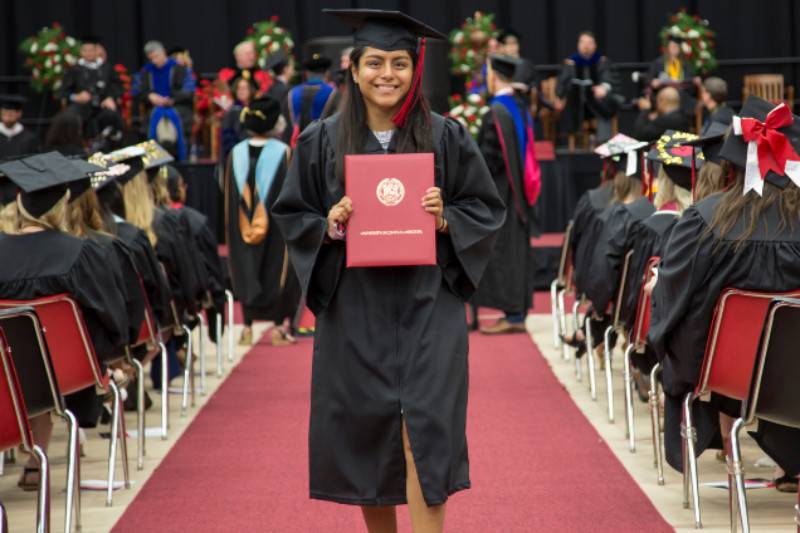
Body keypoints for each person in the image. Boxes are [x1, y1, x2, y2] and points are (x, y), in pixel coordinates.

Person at [272, 9, 505, 533]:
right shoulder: (320, 140)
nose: (387, 74)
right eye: (374, 62)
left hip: (428, 307)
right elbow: (292, 215)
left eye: (400, 63)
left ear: (414, 69)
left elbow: (487, 210)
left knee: (428, 432)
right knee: (366, 432)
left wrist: (446, 217)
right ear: (353, 69)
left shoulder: (446, 136)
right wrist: (330, 227)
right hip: (355, 308)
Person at [649, 96, 800, 491]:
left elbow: (672, 299)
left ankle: (727, 443)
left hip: (726, 373)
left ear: (730, 164)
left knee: (693, 329)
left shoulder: (704, 219)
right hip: (795, 373)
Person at [0, 152, 128, 489]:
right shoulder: (80, 253)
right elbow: (111, 316)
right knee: (43, 359)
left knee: (20, 356)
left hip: (4, 372)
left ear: (19, 201)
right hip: (65, 374)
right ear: (64, 204)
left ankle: (31, 457)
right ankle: (36, 456)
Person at [623, 131, 701, 396]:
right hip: (705, 343)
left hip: (658, 335)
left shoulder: (651, 228)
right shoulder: (709, 228)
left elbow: (636, 296)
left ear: (662, 182)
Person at [224, 96, 299, 346]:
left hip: (241, 224)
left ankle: (246, 328)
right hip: (277, 226)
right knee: (276, 268)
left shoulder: (235, 154)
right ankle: (278, 328)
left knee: (245, 266)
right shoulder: (284, 153)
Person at [474, 55, 541, 334]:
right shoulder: (519, 107)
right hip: (520, 192)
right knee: (517, 251)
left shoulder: (496, 112)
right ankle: (518, 312)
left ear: (493, 77)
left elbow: (489, 160)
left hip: (502, 192)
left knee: (506, 252)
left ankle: (513, 316)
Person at [133, 40, 195, 160]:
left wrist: (172, 100)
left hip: (177, 106)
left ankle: (173, 150)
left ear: (164, 53)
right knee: (156, 115)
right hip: (153, 107)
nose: (154, 61)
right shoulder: (146, 71)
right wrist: (150, 96)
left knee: (173, 116)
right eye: (151, 58)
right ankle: (157, 154)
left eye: (157, 56)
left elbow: (188, 91)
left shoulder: (180, 69)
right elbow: (137, 92)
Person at [59, 35, 124, 144]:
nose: (88, 53)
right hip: (81, 106)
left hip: (102, 105)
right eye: (85, 50)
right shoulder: (75, 69)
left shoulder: (106, 68)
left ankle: (110, 148)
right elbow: (62, 92)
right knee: (69, 116)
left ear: (97, 51)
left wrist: (110, 97)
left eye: (91, 50)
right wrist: (76, 97)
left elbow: (118, 87)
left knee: (111, 115)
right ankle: (75, 149)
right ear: (81, 52)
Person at [555, 31, 618, 143]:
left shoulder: (602, 61)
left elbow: (608, 78)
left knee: (604, 101)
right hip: (575, 102)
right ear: (578, 45)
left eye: (589, 43)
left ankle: (604, 142)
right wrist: (560, 96)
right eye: (583, 42)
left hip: (596, 100)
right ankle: (576, 144)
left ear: (595, 45)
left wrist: (603, 87)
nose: (586, 46)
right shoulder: (570, 63)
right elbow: (561, 83)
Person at [647, 35, 700, 118]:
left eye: (677, 47)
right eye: (673, 46)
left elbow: (690, 79)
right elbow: (649, 78)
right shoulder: (659, 62)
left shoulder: (686, 64)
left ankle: (679, 121)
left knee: (683, 95)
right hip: (663, 92)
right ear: (668, 48)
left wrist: (679, 81)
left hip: (681, 93)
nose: (675, 48)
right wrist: (653, 81)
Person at [287, 53, 335, 144]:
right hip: (324, 144)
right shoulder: (332, 92)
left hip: (298, 144)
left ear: (306, 73)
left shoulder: (293, 92)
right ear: (326, 73)